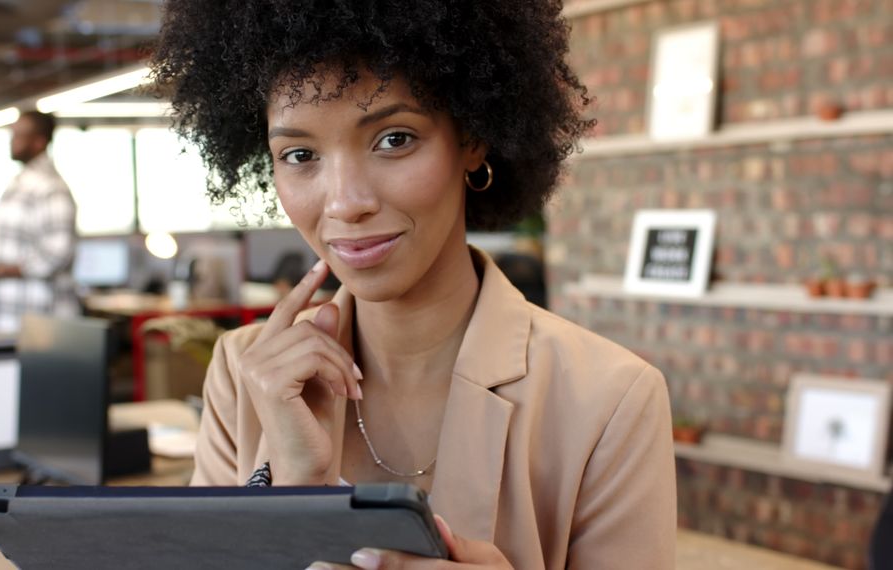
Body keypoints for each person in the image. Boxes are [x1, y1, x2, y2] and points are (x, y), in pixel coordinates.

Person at [151, 1, 676, 569]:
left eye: (394, 139)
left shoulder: (608, 400)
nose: (346, 202)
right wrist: (292, 491)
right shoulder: (245, 374)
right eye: (300, 155)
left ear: (472, 138)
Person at [0, 110, 79, 332]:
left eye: (19, 135)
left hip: (37, 319)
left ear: (39, 142)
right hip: (8, 317)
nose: (12, 141)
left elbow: (57, 253)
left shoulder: (50, 187)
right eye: (12, 134)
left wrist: (1, 271)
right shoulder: (20, 182)